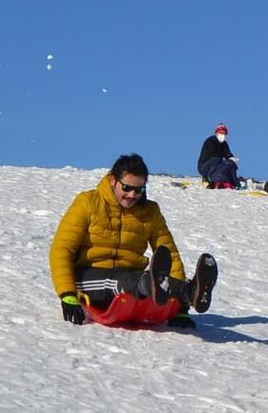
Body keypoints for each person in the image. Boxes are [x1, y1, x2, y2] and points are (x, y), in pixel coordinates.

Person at [49, 154, 218, 328]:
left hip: (130, 278)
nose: (132, 195)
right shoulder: (88, 203)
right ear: (113, 180)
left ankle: (189, 292)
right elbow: (62, 249)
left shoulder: (149, 212)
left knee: (144, 279)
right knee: (119, 283)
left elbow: (170, 253)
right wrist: (67, 294)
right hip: (86, 277)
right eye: (127, 187)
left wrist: (180, 308)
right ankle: (148, 285)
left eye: (139, 190)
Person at [198, 124, 242, 189]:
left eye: (224, 134)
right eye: (221, 133)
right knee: (217, 160)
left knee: (228, 164)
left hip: (216, 165)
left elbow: (228, 154)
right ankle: (207, 177)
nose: (223, 135)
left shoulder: (224, 144)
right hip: (204, 166)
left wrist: (233, 160)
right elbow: (213, 154)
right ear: (216, 133)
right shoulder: (210, 141)